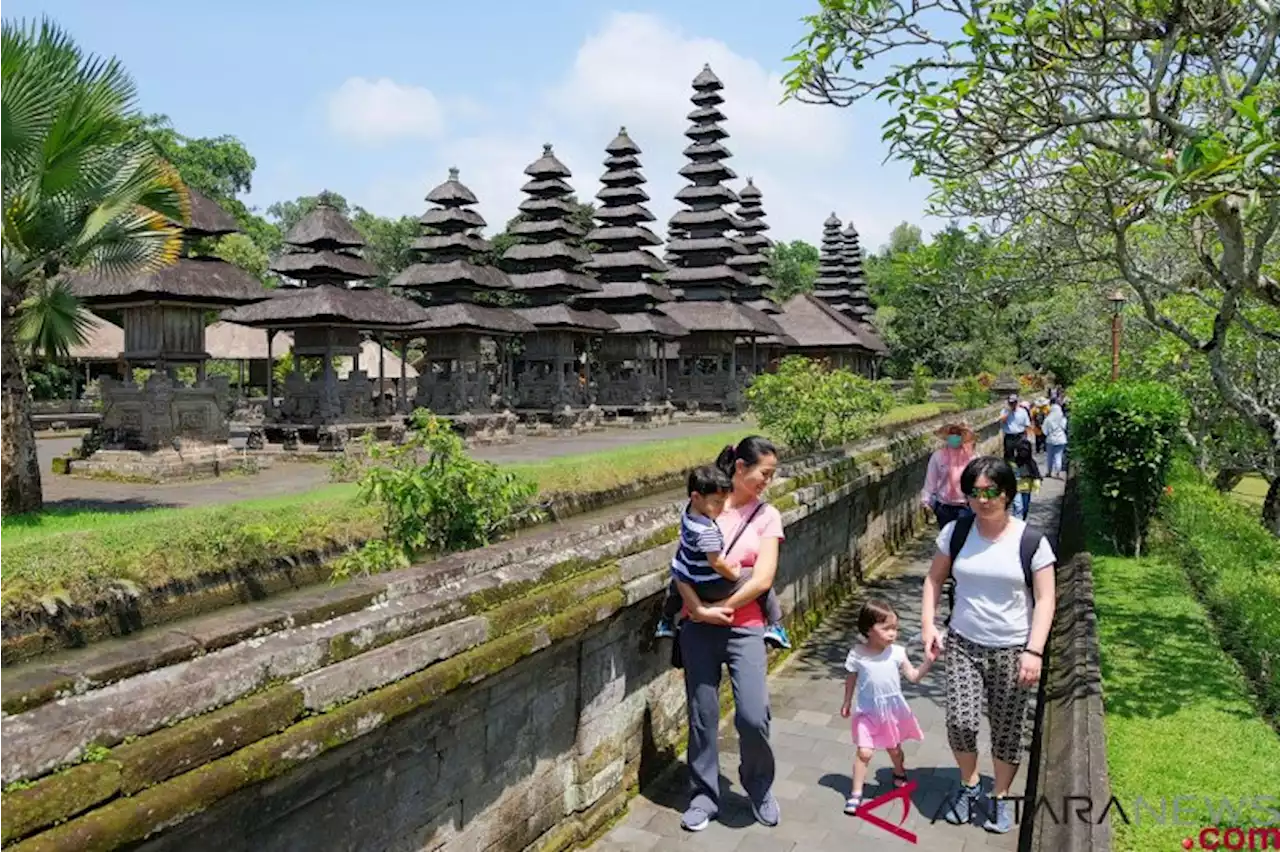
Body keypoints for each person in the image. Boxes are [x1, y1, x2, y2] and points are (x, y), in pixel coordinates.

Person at [920, 457, 1056, 834]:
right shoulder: (957, 533)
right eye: (974, 493)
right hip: (964, 642)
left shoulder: (1031, 542)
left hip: (1013, 649)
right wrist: (928, 625)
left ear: (1008, 493)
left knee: (1007, 729)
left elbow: (1045, 600)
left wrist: (1034, 651)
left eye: (991, 491)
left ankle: (1000, 796)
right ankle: (968, 784)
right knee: (960, 722)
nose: (983, 500)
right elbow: (933, 581)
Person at [678, 436, 785, 833]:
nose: (767, 482)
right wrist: (701, 610)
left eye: (770, 476)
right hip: (699, 626)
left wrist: (725, 607)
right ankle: (704, 795)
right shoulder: (705, 506)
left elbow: (764, 578)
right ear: (740, 468)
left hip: (746, 627)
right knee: (702, 716)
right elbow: (681, 568)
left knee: (754, 716)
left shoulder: (767, 515)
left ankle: (758, 786)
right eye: (764, 474)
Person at [655, 466, 791, 649]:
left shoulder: (688, 515)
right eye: (717, 503)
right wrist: (733, 573)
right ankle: (775, 624)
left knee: (674, 584)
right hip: (713, 583)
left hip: (688, 576)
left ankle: (666, 620)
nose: (721, 508)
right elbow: (716, 562)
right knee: (758, 579)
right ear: (696, 497)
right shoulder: (707, 531)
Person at [840, 598, 934, 815]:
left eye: (895, 628)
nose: (893, 633)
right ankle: (856, 793)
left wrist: (928, 662)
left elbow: (913, 676)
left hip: (892, 711)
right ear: (868, 629)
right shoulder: (857, 654)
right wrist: (846, 701)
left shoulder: (898, 653)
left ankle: (899, 772)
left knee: (894, 749)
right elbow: (851, 678)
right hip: (867, 712)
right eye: (886, 628)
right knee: (864, 752)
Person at [921, 423, 976, 529]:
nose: (954, 437)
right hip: (944, 505)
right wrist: (926, 500)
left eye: (957, 434)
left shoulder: (971, 458)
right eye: (952, 434)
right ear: (947, 436)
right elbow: (930, 480)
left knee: (962, 537)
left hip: (965, 505)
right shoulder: (938, 456)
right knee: (946, 538)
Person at [1010, 440, 1042, 520]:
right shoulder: (1013, 462)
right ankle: (1016, 523)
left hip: (1026, 489)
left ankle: (1022, 521)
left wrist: (1036, 486)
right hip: (1016, 489)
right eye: (1021, 451)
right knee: (1018, 507)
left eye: (1025, 451)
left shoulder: (1031, 463)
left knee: (1025, 508)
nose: (1023, 453)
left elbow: (1036, 475)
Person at [999, 395, 1031, 461]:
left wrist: (1027, 437)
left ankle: (1020, 467)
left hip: (1020, 435)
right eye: (1010, 403)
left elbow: (1027, 425)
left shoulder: (1023, 411)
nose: (1012, 404)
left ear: (1017, 402)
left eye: (1014, 403)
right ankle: (1012, 469)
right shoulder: (1004, 411)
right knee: (1009, 456)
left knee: (1023, 454)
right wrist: (1008, 412)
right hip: (1009, 436)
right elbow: (1002, 421)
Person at [1043, 402, 1068, 478]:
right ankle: (1058, 472)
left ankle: (1049, 472)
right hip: (1061, 439)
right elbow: (1064, 427)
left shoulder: (1048, 419)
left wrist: (1048, 434)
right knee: (1058, 456)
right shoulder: (1062, 418)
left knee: (1050, 457)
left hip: (1050, 440)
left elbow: (1044, 430)